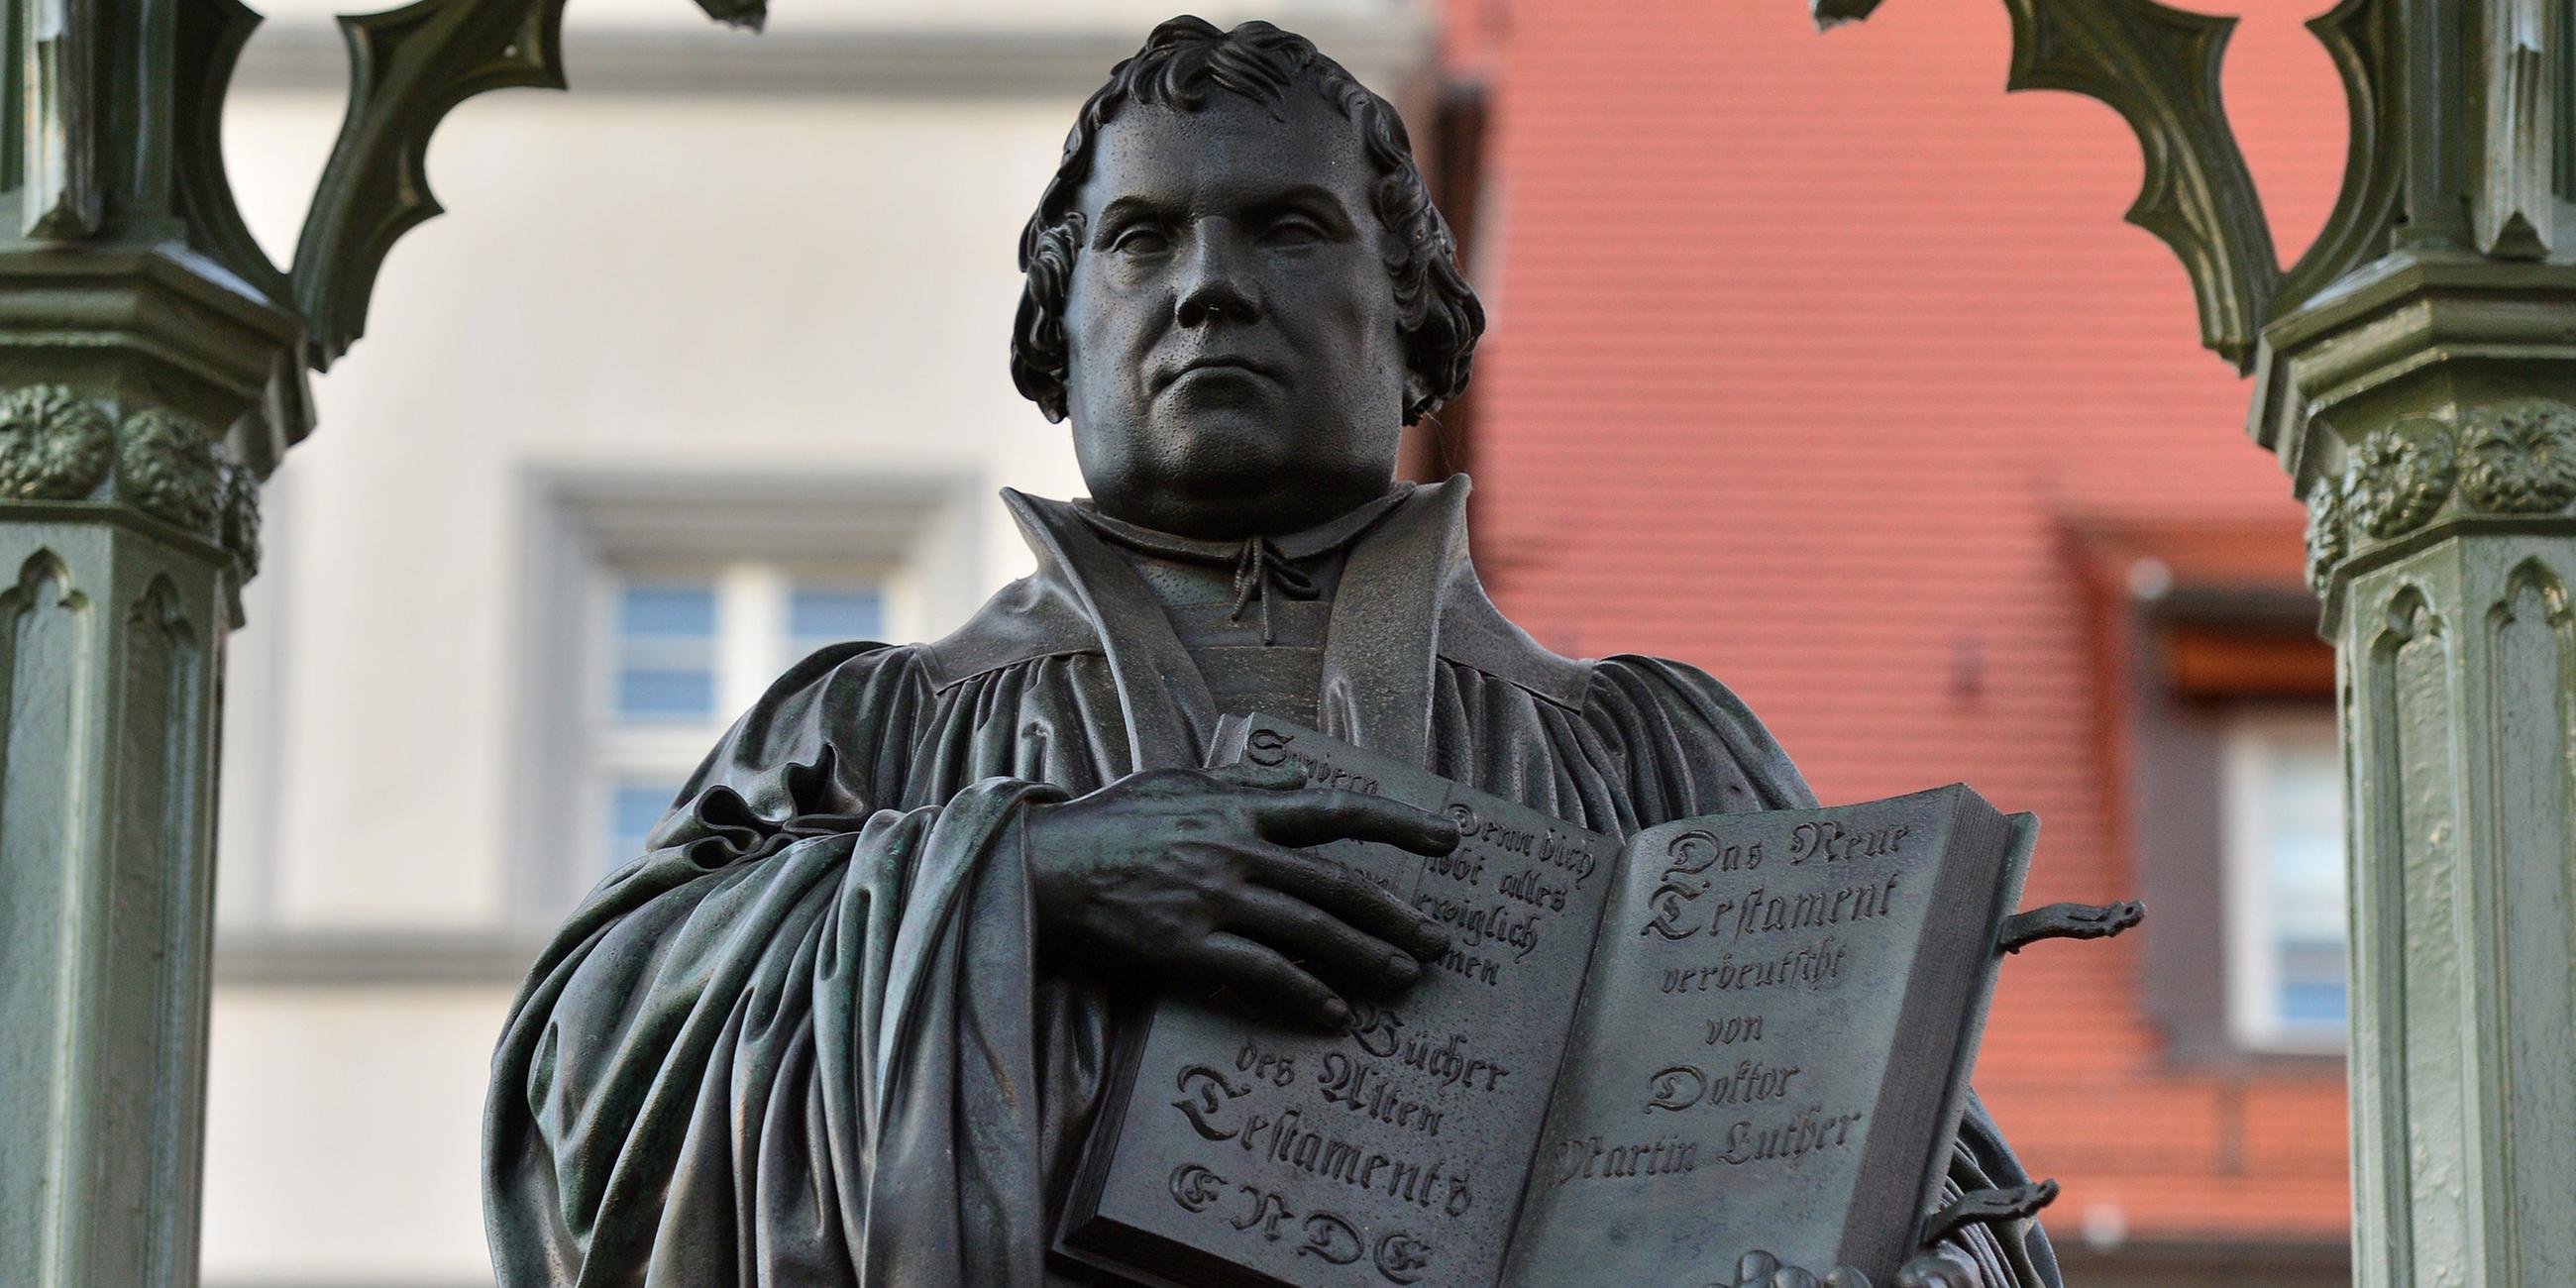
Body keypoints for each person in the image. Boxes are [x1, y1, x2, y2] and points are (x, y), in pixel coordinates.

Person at [483, 19, 2059, 1288]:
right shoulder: (873, 735)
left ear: (1417, 317)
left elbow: (1955, 1201)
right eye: (1142, 238)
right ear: (1061, 325)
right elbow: (580, 1111)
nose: (1210, 283)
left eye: (1287, 229)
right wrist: (1021, 883)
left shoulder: (1649, 755)